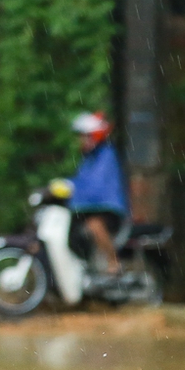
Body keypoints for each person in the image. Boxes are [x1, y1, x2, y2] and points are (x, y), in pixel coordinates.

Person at [68, 111, 127, 276]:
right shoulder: (87, 158)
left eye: (85, 136)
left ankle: (114, 262)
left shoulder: (107, 154)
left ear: (95, 135)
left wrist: (72, 190)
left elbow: (96, 185)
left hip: (109, 210)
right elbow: (79, 181)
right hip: (91, 208)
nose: (81, 140)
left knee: (94, 225)